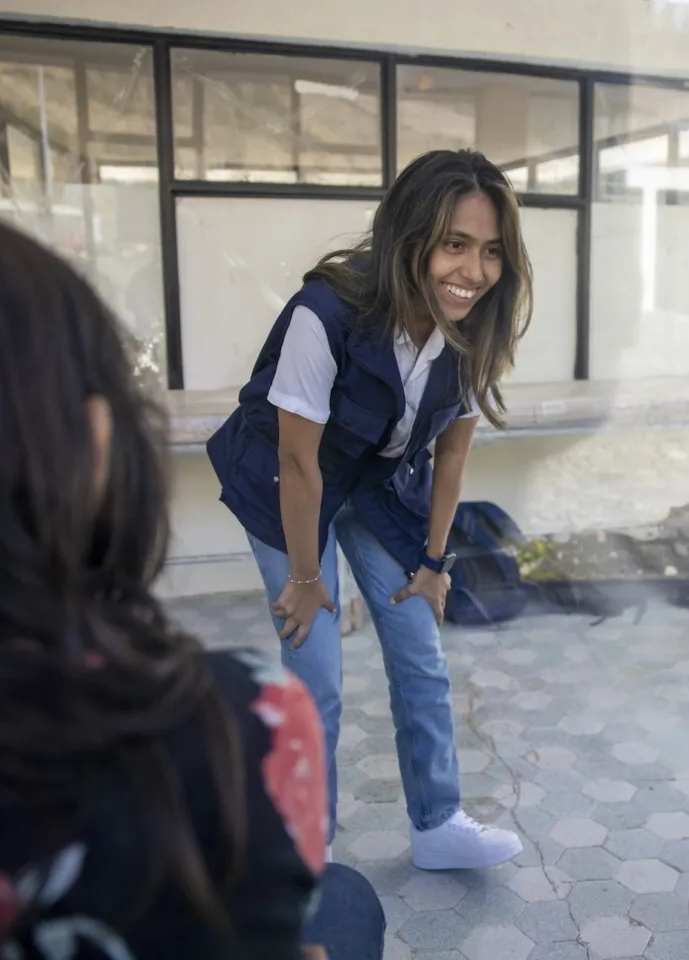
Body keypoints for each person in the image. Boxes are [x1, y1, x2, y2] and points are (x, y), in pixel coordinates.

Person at [0, 199, 383, 959]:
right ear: (97, 445)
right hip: (284, 506)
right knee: (344, 902)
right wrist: (304, 573)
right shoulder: (233, 725)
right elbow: (297, 463)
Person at [206, 149, 531, 870]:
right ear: (409, 234)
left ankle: (438, 823)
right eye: (454, 245)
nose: (473, 272)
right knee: (317, 677)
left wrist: (434, 562)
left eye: (490, 253)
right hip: (285, 481)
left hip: (375, 482)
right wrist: (305, 576)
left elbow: (451, 454)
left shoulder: (474, 329)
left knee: (421, 650)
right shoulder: (325, 314)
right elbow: (297, 461)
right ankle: (306, 851)